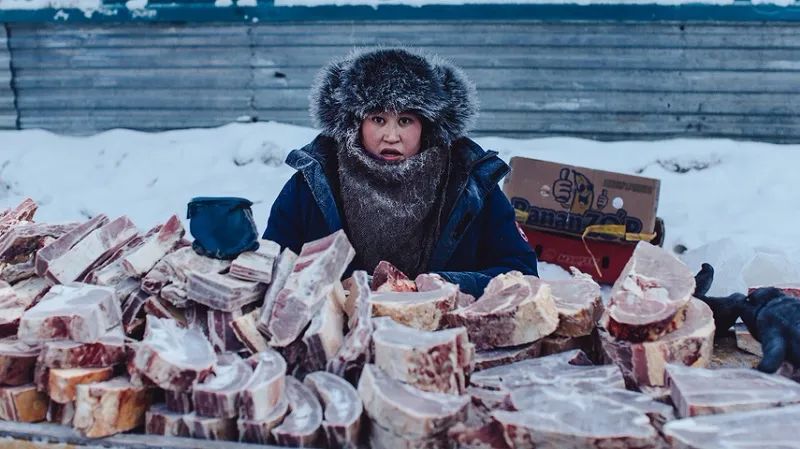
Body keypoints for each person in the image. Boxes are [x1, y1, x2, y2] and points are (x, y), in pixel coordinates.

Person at [263, 48, 537, 297]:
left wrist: (439, 286)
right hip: (333, 336)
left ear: (427, 125)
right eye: (378, 119)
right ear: (355, 122)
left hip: (446, 336)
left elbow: (521, 273)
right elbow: (271, 268)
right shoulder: (314, 181)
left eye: (405, 120)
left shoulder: (471, 184)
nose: (391, 136)